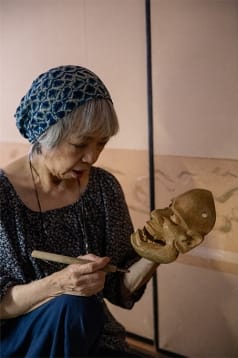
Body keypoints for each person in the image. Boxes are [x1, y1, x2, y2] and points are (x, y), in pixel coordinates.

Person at [0, 65, 160, 356]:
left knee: (83, 310)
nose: (92, 156)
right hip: (20, 341)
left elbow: (119, 289)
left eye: (102, 143)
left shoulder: (103, 188)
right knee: (76, 302)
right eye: (79, 144)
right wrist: (59, 283)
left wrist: (156, 255)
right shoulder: (2, 197)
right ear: (43, 133)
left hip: (89, 335)